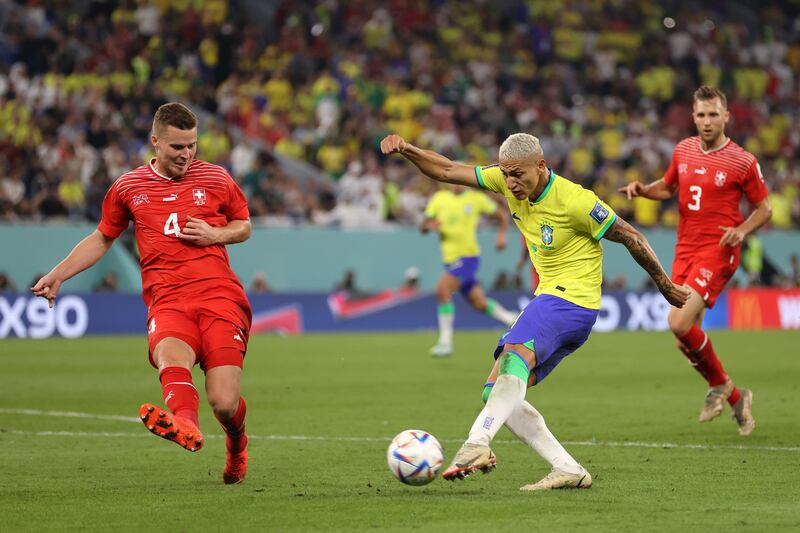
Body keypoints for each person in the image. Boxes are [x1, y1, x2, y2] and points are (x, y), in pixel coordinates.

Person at [381, 132, 689, 490]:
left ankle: (475, 444)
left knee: (513, 357)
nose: (511, 184)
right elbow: (447, 170)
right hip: (554, 300)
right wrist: (407, 150)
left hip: (571, 299)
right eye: (506, 174)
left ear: (541, 166)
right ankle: (568, 468)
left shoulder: (575, 201)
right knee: (496, 391)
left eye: (519, 175)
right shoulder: (506, 179)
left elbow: (632, 237)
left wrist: (664, 285)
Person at [32, 103, 253, 484]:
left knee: (224, 402)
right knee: (169, 354)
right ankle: (185, 423)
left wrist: (216, 234)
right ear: (155, 141)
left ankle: (237, 445)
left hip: (219, 297)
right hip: (167, 299)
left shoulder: (216, 178)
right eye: (177, 147)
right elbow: (102, 238)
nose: (186, 155)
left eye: (192, 146)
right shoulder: (127, 187)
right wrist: (58, 274)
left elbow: (244, 225)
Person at [619, 86, 771, 436]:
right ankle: (735, 396)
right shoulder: (683, 150)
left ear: (726, 116)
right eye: (701, 115)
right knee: (684, 334)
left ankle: (718, 387)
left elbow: (765, 208)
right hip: (685, 249)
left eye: (713, 114)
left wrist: (743, 231)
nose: (707, 121)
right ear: (693, 116)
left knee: (677, 322)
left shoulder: (742, 161)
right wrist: (643, 190)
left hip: (718, 249)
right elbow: (668, 188)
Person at [422, 183, 517, 356]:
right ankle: (513, 320)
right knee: (479, 303)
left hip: (468, 258)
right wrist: (428, 226)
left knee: (442, 289)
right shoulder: (439, 198)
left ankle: (445, 342)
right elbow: (424, 225)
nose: (456, 184)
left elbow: (502, 215)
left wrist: (502, 235)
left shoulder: (475, 199)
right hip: (450, 261)